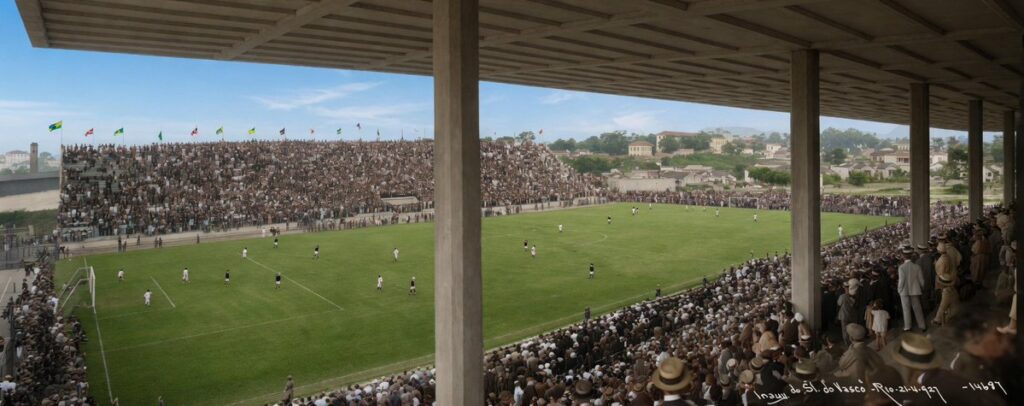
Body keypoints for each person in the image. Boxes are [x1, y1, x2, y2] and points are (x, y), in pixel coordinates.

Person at [897, 246, 926, 331]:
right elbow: (921, 280)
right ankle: (922, 326)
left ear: (903, 255)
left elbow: (901, 281)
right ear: (911, 255)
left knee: (906, 309)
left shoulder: (901, 267)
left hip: (904, 291)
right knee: (918, 309)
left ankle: (907, 327)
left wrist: (899, 290)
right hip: (915, 290)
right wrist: (922, 288)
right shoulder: (917, 267)